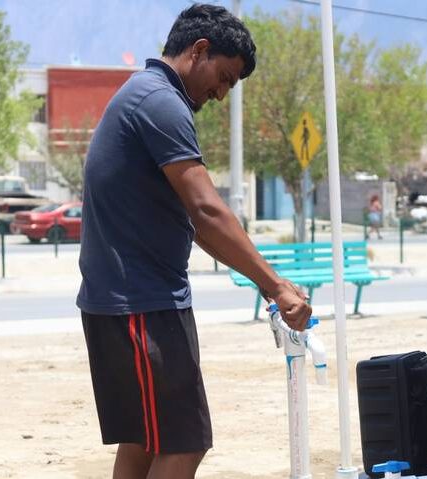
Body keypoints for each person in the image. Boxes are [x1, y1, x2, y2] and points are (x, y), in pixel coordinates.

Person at [76, 5, 312, 479]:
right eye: (224, 77)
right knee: (186, 442)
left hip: (129, 305)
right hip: (142, 306)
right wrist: (277, 287)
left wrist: (264, 281)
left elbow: (195, 223)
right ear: (199, 50)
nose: (222, 94)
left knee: (145, 441)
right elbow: (207, 209)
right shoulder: (161, 102)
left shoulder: (142, 95)